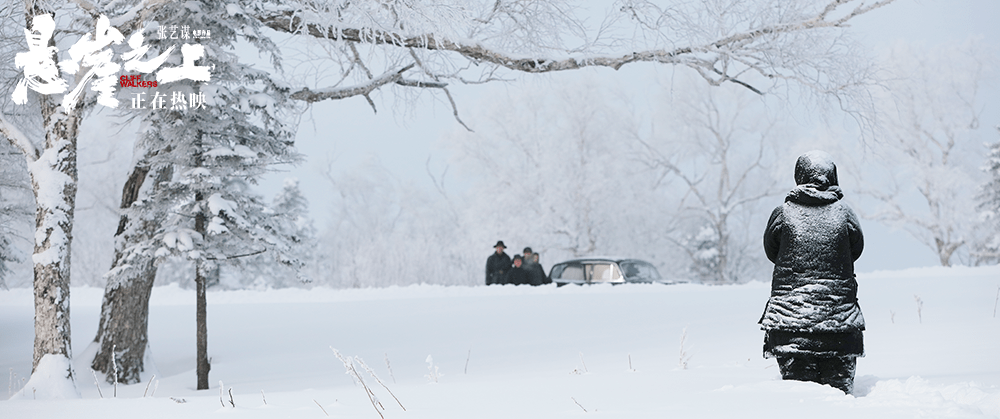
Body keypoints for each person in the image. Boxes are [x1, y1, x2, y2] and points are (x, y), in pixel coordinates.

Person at [759, 150, 865, 394]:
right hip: (840, 325)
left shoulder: (782, 214)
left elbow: (771, 251)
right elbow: (855, 251)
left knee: (801, 401)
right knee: (837, 402)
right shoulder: (845, 214)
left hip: (790, 325)